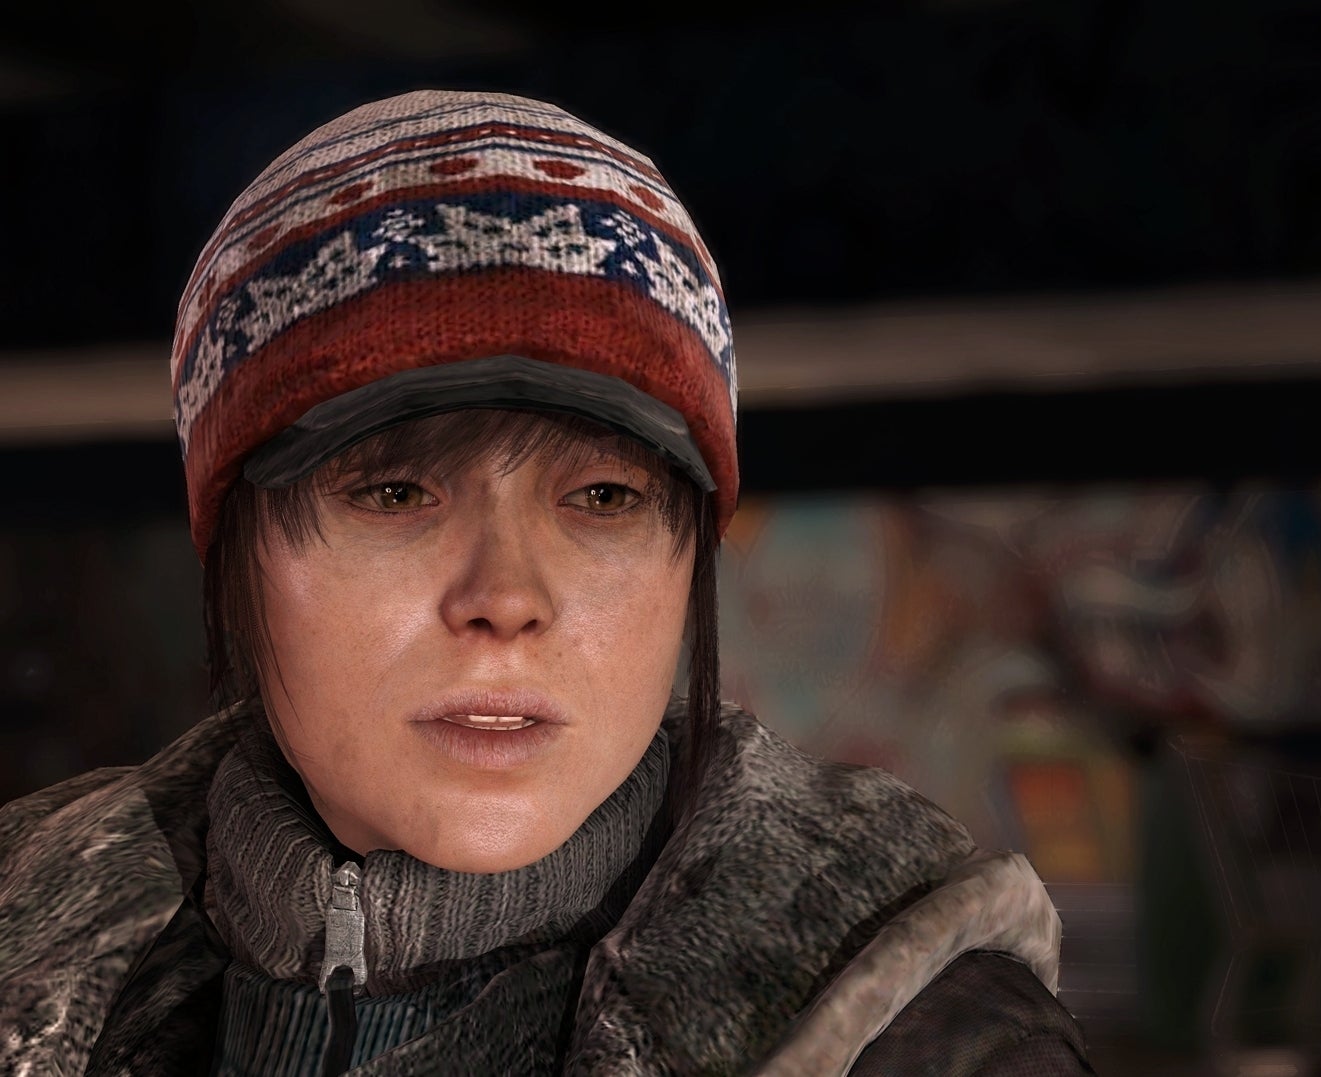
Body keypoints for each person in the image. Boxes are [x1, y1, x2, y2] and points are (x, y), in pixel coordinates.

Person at [0, 90, 1094, 1075]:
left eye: (603, 497)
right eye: (396, 493)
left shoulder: (927, 1037)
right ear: (236, 550)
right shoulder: (25, 948)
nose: (507, 598)